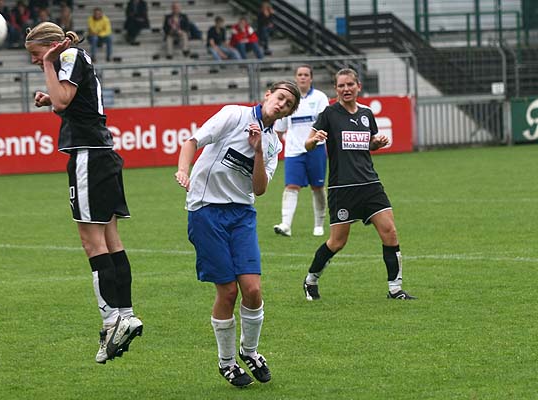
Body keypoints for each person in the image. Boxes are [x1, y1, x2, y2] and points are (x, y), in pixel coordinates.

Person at [24, 21, 143, 364]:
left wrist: (49, 65)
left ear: (51, 45)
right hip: (101, 154)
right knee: (110, 239)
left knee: (92, 242)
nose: (35, 61)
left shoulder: (69, 56)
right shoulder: (76, 58)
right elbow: (70, 101)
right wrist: (51, 97)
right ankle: (126, 315)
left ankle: (111, 322)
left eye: (36, 53)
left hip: (89, 157)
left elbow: (64, 101)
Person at [175, 81, 300, 387]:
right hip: (206, 209)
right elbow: (192, 141)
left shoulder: (273, 144)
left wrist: (257, 151)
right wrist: (183, 170)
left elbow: (259, 188)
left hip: (242, 214)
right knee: (228, 291)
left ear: (288, 114)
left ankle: (250, 351)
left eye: (288, 105)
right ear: (268, 95)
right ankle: (227, 362)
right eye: (280, 97)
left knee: (253, 290)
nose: (281, 105)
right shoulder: (234, 115)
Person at [302, 68, 416, 301]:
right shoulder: (329, 114)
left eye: (350, 85)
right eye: (341, 86)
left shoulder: (366, 114)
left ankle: (395, 289)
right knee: (338, 242)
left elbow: (368, 143)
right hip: (342, 187)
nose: (346, 89)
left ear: (358, 86)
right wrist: (315, 140)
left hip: (370, 183)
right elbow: (308, 144)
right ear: (336, 89)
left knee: (390, 232)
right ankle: (311, 279)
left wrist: (376, 143)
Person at [273, 65, 329, 237]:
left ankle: (319, 224)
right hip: (293, 151)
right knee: (291, 186)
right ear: (296, 78)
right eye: (300, 74)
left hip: (316, 149)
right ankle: (286, 225)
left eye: (306, 74)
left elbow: (325, 122)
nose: (303, 77)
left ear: (311, 78)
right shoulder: (289, 100)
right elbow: (279, 128)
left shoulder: (320, 98)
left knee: (317, 186)